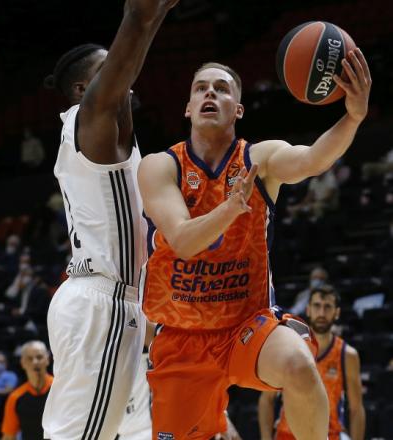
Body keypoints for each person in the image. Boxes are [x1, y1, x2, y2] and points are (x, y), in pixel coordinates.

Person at [139, 48, 371, 440]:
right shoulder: (160, 165)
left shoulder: (258, 159)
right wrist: (230, 209)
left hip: (246, 324)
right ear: (188, 107)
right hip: (181, 337)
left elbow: (312, 159)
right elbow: (181, 240)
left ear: (239, 109)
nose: (210, 94)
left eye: (222, 88)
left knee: (299, 365)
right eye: (201, 88)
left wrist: (353, 117)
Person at [41, 0, 180, 438]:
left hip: (120, 302)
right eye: (110, 69)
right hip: (102, 303)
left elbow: (134, 50)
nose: (127, 77)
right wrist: (145, 13)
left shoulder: (111, 135)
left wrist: (161, 12)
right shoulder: (92, 125)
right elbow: (134, 21)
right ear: (84, 90)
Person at [258, 286, 365, 440]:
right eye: (317, 306)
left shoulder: (347, 355)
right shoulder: (290, 347)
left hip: (328, 435)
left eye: (327, 307)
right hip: (286, 435)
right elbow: (266, 400)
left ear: (337, 313)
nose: (321, 313)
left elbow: (356, 409)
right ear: (308, 310)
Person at [1, 341, 53, 440]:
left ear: (47, 359)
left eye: (39, 357)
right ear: (22, 363)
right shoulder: (15, 398)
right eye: (29, 358)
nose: (35, 362)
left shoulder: (60, 390)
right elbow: (9, 436)